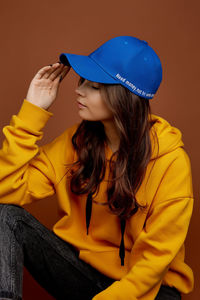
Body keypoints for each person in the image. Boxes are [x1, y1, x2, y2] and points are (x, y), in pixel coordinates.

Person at [0, 36, 194, 300]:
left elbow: (153, 263)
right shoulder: (77, 142)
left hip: (148, 290)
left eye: (94, 86)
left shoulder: (171, 162)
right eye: (82, 81)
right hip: (84, 274)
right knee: (5, 217)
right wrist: (32, 112)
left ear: (124, 97)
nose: (79, 90)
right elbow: (4, 190)